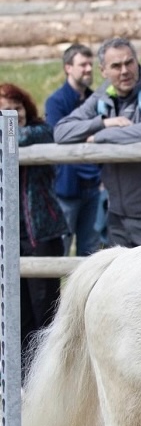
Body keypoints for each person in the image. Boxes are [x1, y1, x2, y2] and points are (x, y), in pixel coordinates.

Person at [53, 36, 141, 248]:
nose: (124, 71)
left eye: (129, 62)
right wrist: (104, 123)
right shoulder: (103, 94)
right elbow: (61, 131)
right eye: (116, 66)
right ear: (103, 71)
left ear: (137, 61)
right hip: (116, 214)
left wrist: (99, 138)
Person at [0, 83, 69, 382]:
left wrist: (8, 130)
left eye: (17, 105)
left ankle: (49, 376)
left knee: (45, 307)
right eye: (7, 108)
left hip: (42, 233)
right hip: (9, 236)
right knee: (17, 309)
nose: (15, 113)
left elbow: (24, 136)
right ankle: (21, 378)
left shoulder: (41, 132)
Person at [44, 43, 102, 256]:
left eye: (90, 64)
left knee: (90, 252)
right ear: (68, 68)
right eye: (82, 64)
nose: (88, 69)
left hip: (94, 186)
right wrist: (94, 131)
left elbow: (104, 138)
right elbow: (59, 136)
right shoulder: (55, 102)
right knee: (62, 249)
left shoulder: (96, 99)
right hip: (66, 189)